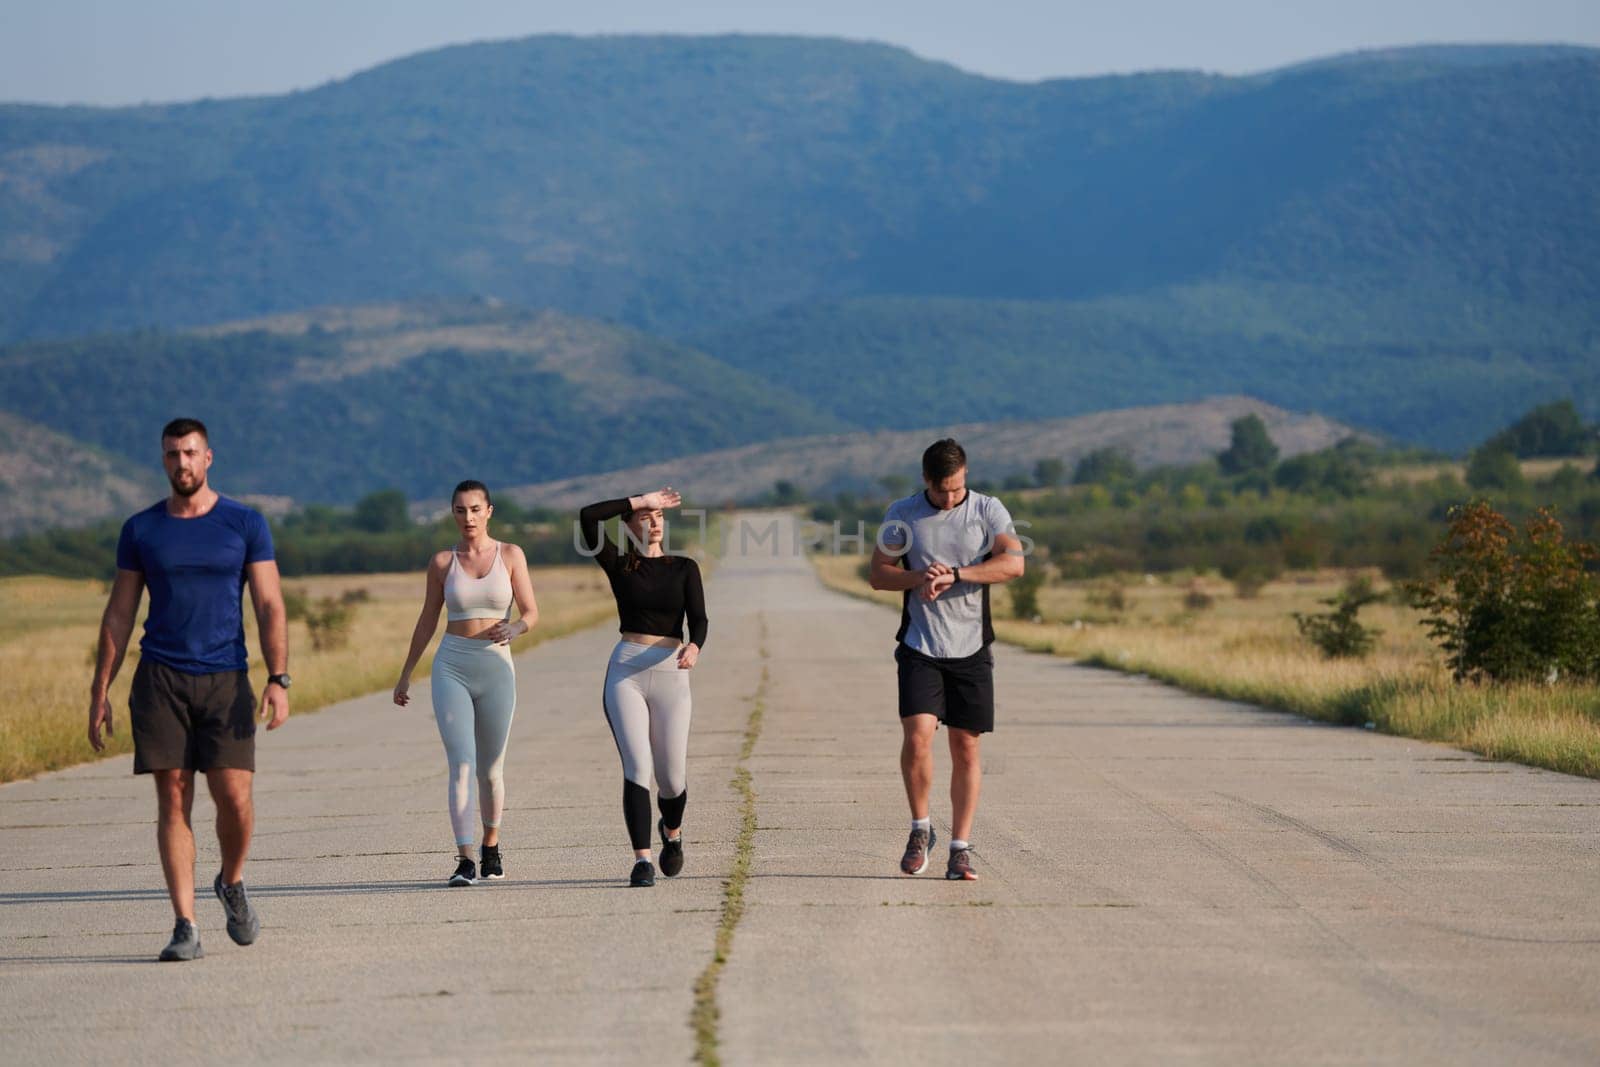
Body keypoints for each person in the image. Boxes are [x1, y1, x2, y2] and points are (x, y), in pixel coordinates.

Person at [89, 417, 289, 962]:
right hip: (161, 678)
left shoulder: (244, 522)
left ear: (209, 458)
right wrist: (99, 688)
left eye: (190, 453)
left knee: (235, 797)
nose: (181, 463)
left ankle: (231, 880)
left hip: (227, 677)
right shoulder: (141, 529)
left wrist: (277, 677)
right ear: (164, 461)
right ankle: (185, 924)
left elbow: (270, 604)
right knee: (172, 797)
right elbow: (120, 612)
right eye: (172, 454)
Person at [869, 439, 1024, 881]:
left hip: (972, 647)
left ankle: (960, 848)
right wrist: (920, 576)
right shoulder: (902, 513)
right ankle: (921, 830)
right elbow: (879, 574)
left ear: (966, 475)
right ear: (925, 481)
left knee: (965, 746)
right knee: (918, 737)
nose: (950, 499)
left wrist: (956, 574)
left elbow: (1014, 565)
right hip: (920, 643)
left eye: (956, 490)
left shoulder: (988, 510)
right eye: (941, 493)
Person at [395, 481, 539, 886]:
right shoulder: (443, 562)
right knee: (461, 763)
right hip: (451, 665)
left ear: (489, 510)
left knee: (490, 770)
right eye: (460, 510)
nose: (468, 518)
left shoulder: (510, 555)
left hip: (496, 667)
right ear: (452, 513)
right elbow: (427, 620)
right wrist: (406, 674)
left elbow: (532, 612)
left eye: (475, 509)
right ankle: (465, 858)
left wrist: (516, 627)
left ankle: (491, 846)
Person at [579, 488, 707, 887]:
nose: (654, 522)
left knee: (672, 779)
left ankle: (672, 832)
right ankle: (642, 861)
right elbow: (587, 515)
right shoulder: (620, 564)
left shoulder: (684, 567)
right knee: (638, 768)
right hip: (627, 673)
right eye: (646, 517)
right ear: (630, 523)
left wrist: (695, 646)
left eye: (659, 516)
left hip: (671, 671)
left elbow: (699, 619)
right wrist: (638, 499)